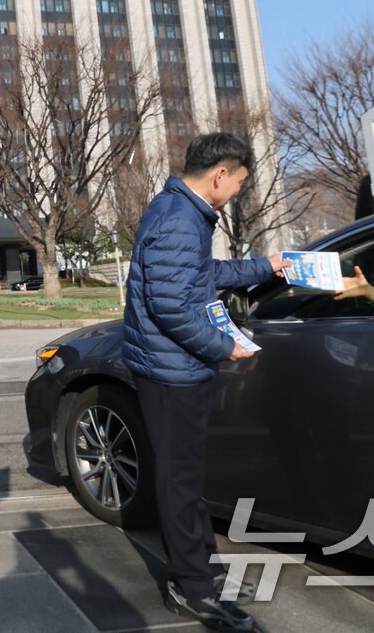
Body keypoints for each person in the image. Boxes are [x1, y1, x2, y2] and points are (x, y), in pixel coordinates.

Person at [122, 132, 287, 633]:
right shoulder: (179, 217)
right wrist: (223, 346)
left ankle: (204, 572)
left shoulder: (182, 212)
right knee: (180, 484)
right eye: (238, 182)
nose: (236, 192)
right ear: (220, 174)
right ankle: (191, 589)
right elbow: (171, 306)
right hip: (171, 373)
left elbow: (200, 274)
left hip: (176, 368)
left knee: (186, 481)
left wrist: (264, 266)